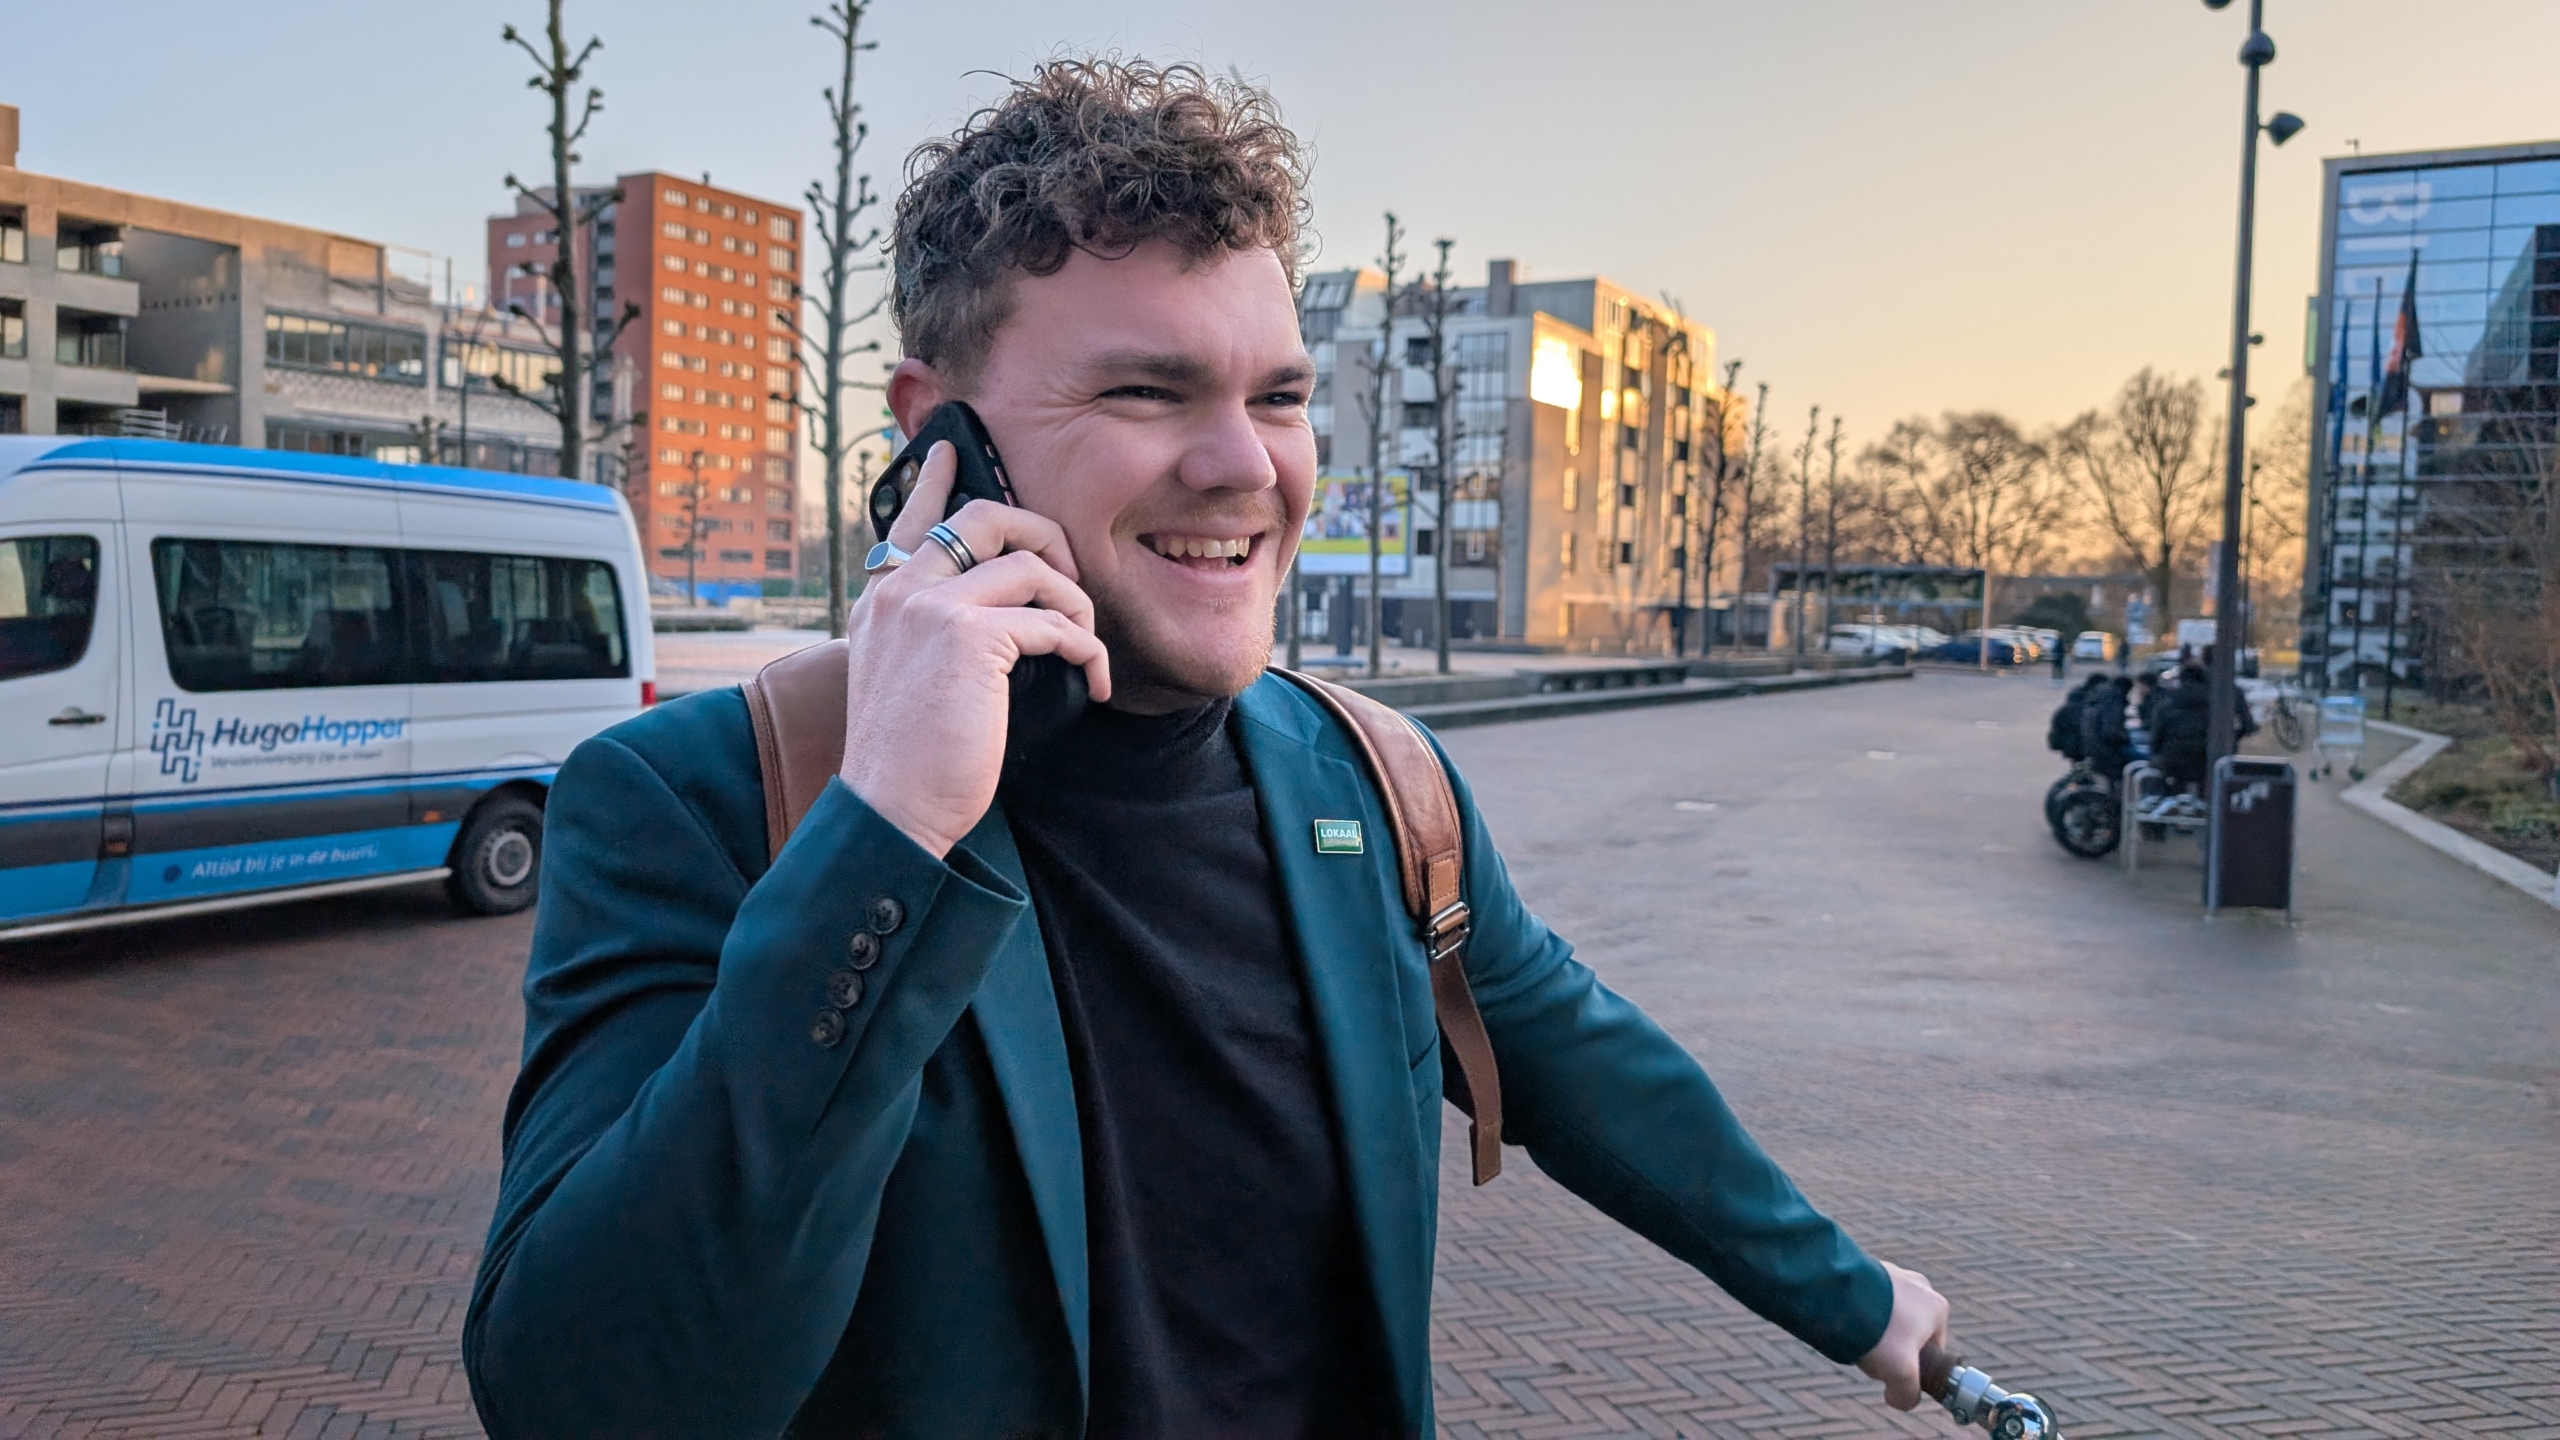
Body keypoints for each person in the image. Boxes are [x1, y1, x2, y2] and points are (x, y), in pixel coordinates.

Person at [463, 60, 1948, 1439]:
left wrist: (1857, 1299)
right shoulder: (709, 801)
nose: (1247, 466)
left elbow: (1586, 1069)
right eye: (1146, 390)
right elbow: (580, 1394)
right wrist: (891, 828)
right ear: (936, 431)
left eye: (1280, 396)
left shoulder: (1380, 784)